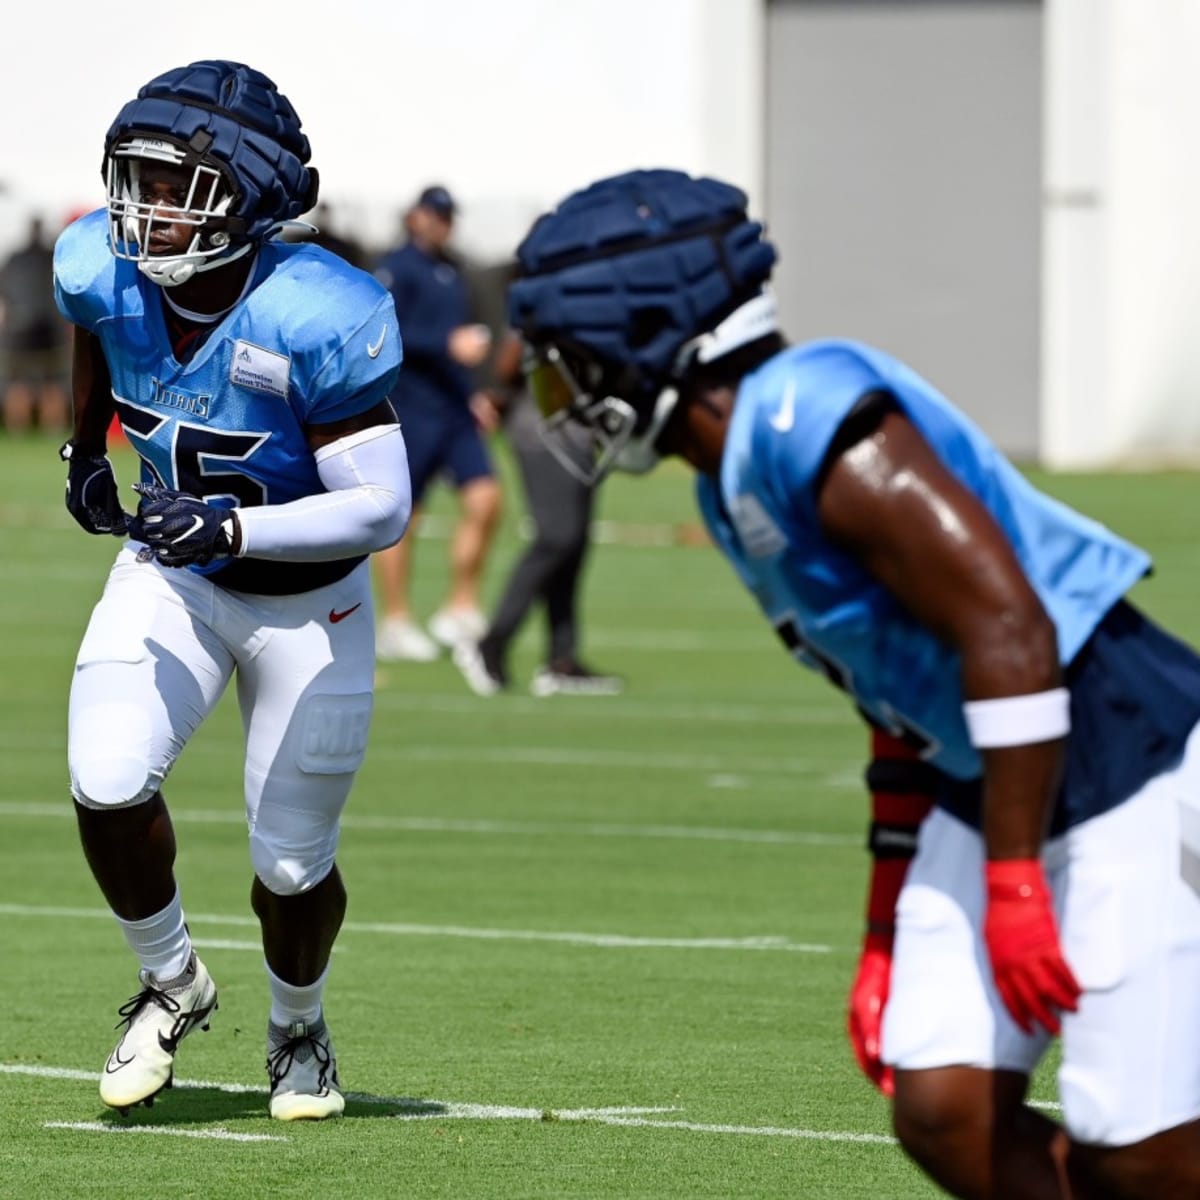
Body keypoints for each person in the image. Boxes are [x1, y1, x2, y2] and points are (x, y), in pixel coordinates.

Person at [507, 168, 1200, 1198]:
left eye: (568, 368)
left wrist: (1013, 882)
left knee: (1137, 1152)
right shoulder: (734, 476)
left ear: (644, 329)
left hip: (1115, 743)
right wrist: (883, 931)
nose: (560, 398)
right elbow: (897, 708)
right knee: (944, 1105)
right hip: (989, 767)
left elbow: (1010, 629)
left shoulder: (801, 413)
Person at [53, 59, 410, 1122]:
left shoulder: (317, 309)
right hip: (174, 578)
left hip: (310, 602)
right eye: (137, 181)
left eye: (173, 187)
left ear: (246, 195)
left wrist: (234, 521)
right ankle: (173, 982)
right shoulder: (100, 264)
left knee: (293, 864)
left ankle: (298, 1025)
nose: (144, 208)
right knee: (106, 778)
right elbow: (94, 325)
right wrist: (83, 446)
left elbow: (382, 505)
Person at [453, 329, 622, 696]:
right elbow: (509, 361)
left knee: (574, 542)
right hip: (542, 428)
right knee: (556, 537)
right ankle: (491, 644)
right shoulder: (546, 298)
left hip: (579, 430)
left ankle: (562, 659)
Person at [372, 185, 500, 662]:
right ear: (415, 216)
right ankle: (397, 620)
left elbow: (459, 348)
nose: (440, 223)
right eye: (433, 214)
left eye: (447, 216)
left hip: (452, 408)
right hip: (411, 409)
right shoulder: (396, 267)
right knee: (405, 517)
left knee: (486, 498)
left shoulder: (453, 270)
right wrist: (446, 343)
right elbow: (386, 331)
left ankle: (460, 606)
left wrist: (474, 396)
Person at [0, 215, 70, 433]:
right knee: (53, 382)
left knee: (17, 382)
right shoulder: (55, 257)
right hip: (50, 329)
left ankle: (17, 432)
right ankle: (53, 431)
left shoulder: (15, 258)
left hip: (20, 329)